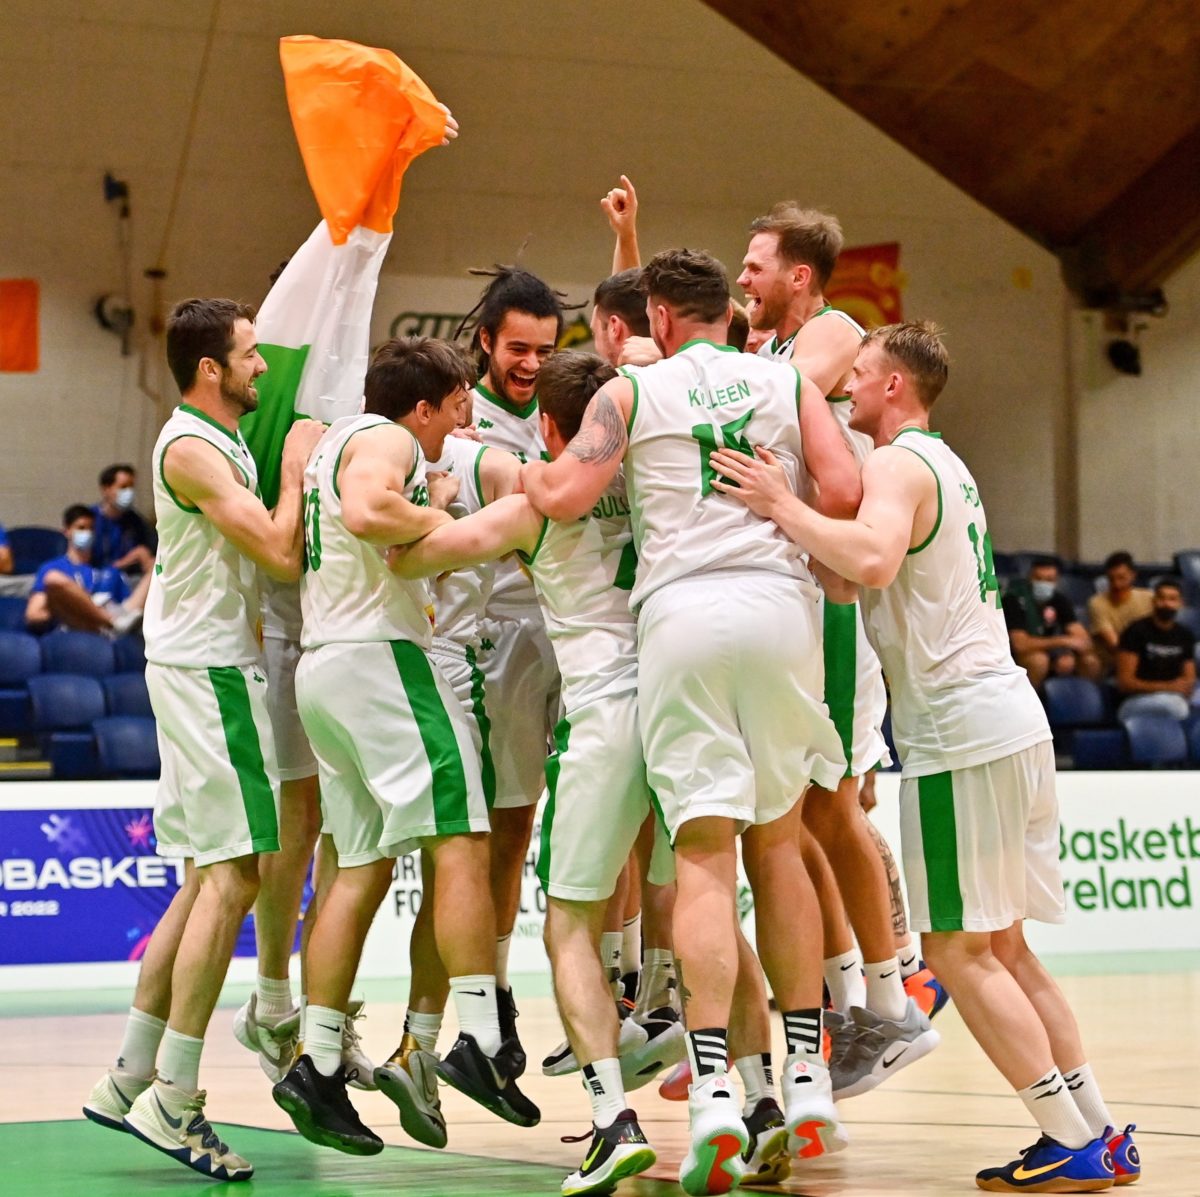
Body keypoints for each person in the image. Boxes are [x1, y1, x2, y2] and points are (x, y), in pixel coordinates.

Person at [707, 320, 1135, 1192]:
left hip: (960, 731)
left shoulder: (898, 465)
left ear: (894, 384)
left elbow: (869, 557)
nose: (847, 388)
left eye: (859, 375)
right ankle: (1095, 1128)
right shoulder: (945, 463)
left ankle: (1066, 1136)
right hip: (1010, 717)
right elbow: (852, 571)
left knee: (955, 952)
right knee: (1007, 948)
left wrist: (781, 506)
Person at [522, 248, 857, 1194]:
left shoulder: (631, 395)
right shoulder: (787, 380)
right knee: (779, 847)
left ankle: (711, 1084)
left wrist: (515, 472)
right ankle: (803, 1074)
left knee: (704, 854)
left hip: (682, 620)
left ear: (660, 317)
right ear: (729, 312)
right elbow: (839, 493)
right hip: (781, 604)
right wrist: (780, 506)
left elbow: (567, 492)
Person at [392, 350, 665, 1195]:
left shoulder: (534, 505)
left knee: (569, 925)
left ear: (549, 427)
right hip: (687, 704)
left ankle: (611, 1117)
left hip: (607, 714)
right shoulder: (664, 485)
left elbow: (413, 558)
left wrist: (429, 500)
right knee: (696, 901)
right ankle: (746, 1098)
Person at [271, 337, 538, 1157]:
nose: (461, 419)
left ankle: (316, 1060)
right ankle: (483, 1041)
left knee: (357, 864)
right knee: (463, 838)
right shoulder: (384, 440)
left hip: (326, 666)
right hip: (382, 661)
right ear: (421, 406)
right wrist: (449, 519)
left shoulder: (333, 445)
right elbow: (366, 511)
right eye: (456, 405)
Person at [82, 297, 323, 1183]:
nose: (264, 367)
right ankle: (176, 1097)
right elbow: (277, 550)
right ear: (211, 370)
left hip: (200, 666)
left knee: (204, 871)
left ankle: (131, 1072)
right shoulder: (189, 445)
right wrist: (297, 470)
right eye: (251, 355)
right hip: (210, 671)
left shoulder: (208, 442)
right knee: (240, 871)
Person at [741, 200, 938, 1095]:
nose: (745, 278)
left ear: (801, 277)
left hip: (832, 606)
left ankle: (894, 1001)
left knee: (835, 808)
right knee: (803, 818)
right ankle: (850, 1004)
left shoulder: (832, 333)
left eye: (756, 266)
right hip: (787, 607)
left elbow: (758, 395)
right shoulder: (776, 349)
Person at [462, 266, 565, 1068]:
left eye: (544, 349)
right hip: (500, 633)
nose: (531, 363)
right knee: (510, 823)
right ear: (487, 341)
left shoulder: (572, 409)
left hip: (576, 628)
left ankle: (636, 981)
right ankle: (491, 995)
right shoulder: (463, 419)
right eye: (518, 348)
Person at [25, 504, 149, 634]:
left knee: (155, 573)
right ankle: (110, 621)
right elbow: (33, 614)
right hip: (75, 625)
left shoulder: (107, 570)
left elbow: (128, 607)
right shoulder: (52, 568)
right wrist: (76, 607)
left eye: (91, 529)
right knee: (53, 578)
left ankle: (112, 623)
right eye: (81, 528)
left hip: (113, 621)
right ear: (66, 531)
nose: (87, 533)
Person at [1003, 558, 1100, 688]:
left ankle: (1084, 703)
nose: (1043, 584)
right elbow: (1020, 645)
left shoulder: (1059, 600)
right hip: (1017, 656)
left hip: (1052, 652)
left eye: (1049, 580)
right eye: (1038, 578)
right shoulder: (1014, 599)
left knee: (1090, 661)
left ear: (1056, 581)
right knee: (1039, 660)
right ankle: (1026, 705)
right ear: (1030, 578)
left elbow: (1082, 639)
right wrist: (1063, 641)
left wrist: (1067, 653)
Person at [1115, 578, 1196, 721]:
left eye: (1172, 599)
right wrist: (1167, 687)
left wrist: (1184, 687)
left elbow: (1189, 677)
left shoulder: (1185, 635)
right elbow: (1125, 683)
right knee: (1176, 706)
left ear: (1180, 603)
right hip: (1137, 700)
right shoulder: (1135, 631)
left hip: (1174, 695)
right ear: (1153, 601)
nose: (1166, 604)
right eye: (1162, 598)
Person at [1088, 551, 1153, 672]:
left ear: (1133, 575)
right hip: (1114, 660)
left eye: (1121, 578)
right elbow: (1114, 644)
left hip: (1145, 656)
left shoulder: (1149, 598)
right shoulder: (1097, 602)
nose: (1116, 584)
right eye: (1111, 579)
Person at [92, 463, 157, 574]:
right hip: (97, 577)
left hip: (129, 579)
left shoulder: (136, 520)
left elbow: (153, 548)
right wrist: (128, 560)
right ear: (106, 489)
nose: (129, 492)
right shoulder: (90, 520)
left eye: (131, 486)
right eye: (123, 487)